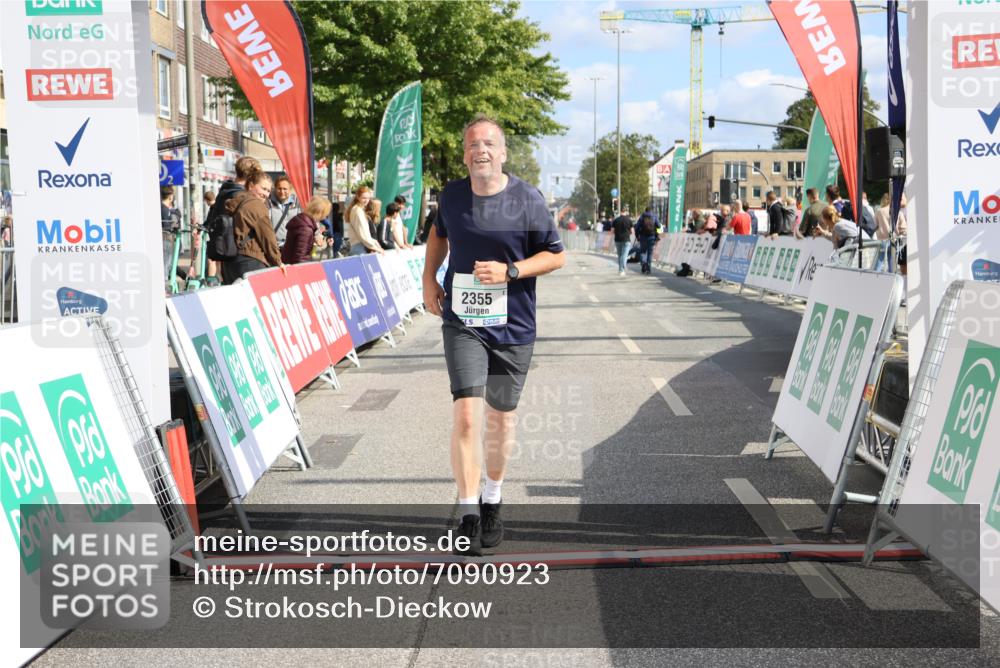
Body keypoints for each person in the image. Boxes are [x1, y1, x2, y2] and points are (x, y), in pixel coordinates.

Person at [422, 115, 565, 556]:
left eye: (488, 144)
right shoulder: (451, 195)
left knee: (500, 419)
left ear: (502, 153)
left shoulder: (528, 199)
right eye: (471, 145)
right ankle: (467, 512)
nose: (479, 150)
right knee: (466, 415)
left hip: (513, 327)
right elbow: (438, 234)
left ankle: (492, 498)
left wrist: (512, 271)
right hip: (464, 323)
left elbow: (555, 256)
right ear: (465, 154)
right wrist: (429, 277)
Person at [222, 168, 286, 284]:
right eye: (263, 188)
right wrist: (278, 261)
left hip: (229, 263)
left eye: (268, 191)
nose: (266, 194)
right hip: (251, 261)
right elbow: (267, 236)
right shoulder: (256, 205)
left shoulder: (234, 202)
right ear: (251, 186)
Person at [282, 196, 332, 265]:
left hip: (288, 262)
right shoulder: (306, 229)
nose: (325, 217)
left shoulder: (302, 220)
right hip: (294, 268)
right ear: (320, 213)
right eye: (325, 214)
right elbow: (300, 258)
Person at [344, 186, 383, 255]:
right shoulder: (358, 211)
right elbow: (362, 233)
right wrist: (374, 247)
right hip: (360, 247)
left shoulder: (357, 209)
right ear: (358, 197)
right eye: (364, 198)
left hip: (359, 245)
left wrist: (373, 242)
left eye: (368, 198)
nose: (366, 200)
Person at [269, 176, 301, 247]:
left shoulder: (297, 202)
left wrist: (317, 235)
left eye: (285, 189)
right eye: (279, 188)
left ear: (290, 189)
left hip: (292, 245)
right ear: (275, 188)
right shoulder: (269, 202)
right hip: (274, 245)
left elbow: (304, 221)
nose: (282, 192)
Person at [634, 207, 659, 275]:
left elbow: (637, 227)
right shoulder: (654, 216)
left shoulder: (642, 217)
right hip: (652, 237)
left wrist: (637, 236)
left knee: (642, 251)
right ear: (651, 210)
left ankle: (643, 263)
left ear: (645, 211)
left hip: (643, 237)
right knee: (650, 253)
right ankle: (648, 269)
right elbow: (659, 226)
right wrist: (657, 235)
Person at [611, 208, 633, 276]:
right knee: (624, 255)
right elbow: (632, 231)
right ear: (625, 212)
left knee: (620, 255)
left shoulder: (615, 220)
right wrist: (628, 233)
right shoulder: (629, 220)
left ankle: (620, 270)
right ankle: (621, 270)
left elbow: (612, 231)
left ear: (620, 212)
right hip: (626, 239)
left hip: (617, 239)